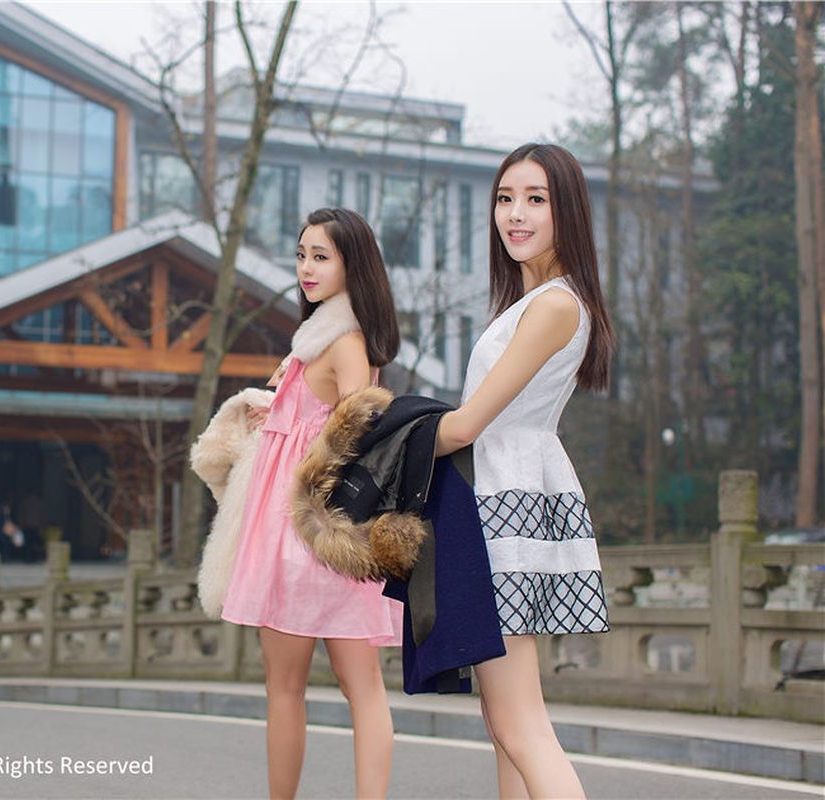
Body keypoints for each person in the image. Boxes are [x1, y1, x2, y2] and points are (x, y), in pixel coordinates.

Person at [434, 143, 615, 799]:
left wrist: (371, 438)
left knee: (519, 723)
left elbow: (463, 426)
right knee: (505, 721)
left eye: (535, 199)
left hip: (503, 508)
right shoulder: (540, 300)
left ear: (566, 209)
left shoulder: (555, 306)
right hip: (503, 501)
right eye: (506, 199)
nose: (515, 214)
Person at [221, 207, 403, 800]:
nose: (306, 267)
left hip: (308, 531)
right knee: (356, 688)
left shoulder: (342, 339)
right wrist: (276, 413)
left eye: (320, 256)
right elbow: (327, 420)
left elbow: (360, 429)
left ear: (353, 264)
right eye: (301, 254)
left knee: (293, 689)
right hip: (320, 532)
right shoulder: (320, 338)